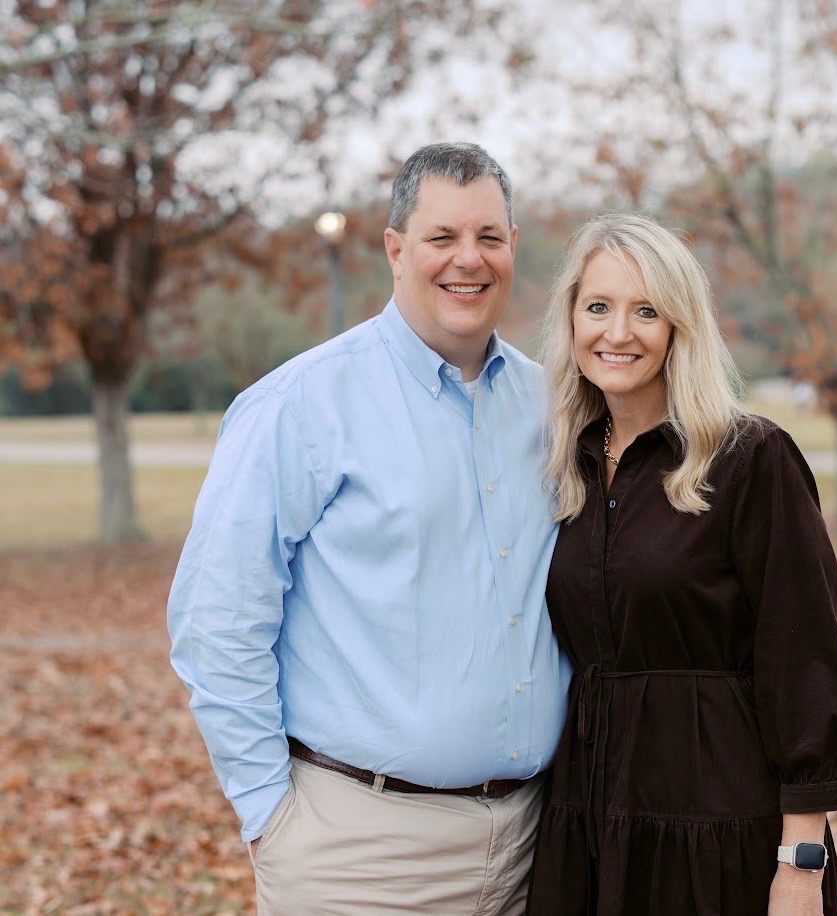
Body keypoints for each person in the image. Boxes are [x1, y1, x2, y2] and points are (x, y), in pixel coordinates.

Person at [167, 142, 572, 915]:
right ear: (395, 249)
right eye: (441, 238)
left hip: (532, 843)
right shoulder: (300, 404)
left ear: (513, 247)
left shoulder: (551, 406)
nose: (469, 260)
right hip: (357, 857)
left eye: (489, 237)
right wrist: (267, 813)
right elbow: (216, 618)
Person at [525, 214, 837, 916]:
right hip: (587, 819)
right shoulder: (566, 466)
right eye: (599, 307)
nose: (618, 333)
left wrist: (801, 861)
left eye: (646, 310)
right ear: (572, 320)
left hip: (717, 830)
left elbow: (804, 660)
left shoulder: (751, 459)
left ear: (681, 326)